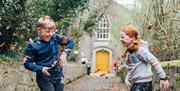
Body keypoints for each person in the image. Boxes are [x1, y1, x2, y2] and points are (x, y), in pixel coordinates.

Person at [23, 15, 75, 91]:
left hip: (59, 76)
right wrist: (41, 69)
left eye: (52, 31)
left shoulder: (55, 38)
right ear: (39, 30)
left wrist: (64, 54)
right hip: (44, 77)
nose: (50, 34)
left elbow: (71, 41)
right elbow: (27, 63)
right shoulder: (33, 45)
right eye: (47, 31)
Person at [120, 25, 169, 91]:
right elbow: (132, 68)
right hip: (136, 83)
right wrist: (127, 79)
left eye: (123, 37)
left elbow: (154, 61)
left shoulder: (140, 50)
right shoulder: (130, 52)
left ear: (132, 38)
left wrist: (163, 78)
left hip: (144, 84)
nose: (121, 39)